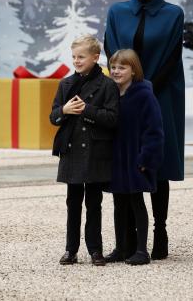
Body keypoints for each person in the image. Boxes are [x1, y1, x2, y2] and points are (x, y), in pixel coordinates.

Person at [104, 0, 184, 260]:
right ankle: (127, 240)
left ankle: (159, 232)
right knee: (125, 161)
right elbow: (112, 49)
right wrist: (123, 85)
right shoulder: (117, 12)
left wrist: (146, 89)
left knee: (156, 162)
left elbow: (171, 57)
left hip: (160, 94)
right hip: (123, 95)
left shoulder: (172, 14)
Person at [49, 35, 119, 266]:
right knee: (73, 203)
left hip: (95, 152)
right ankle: (71, 250)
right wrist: (65, 110)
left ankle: (95, 250)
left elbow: (112, 119)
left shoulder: (107, 85)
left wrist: (87, 110)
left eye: (81, 57)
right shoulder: (66, 84)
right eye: (74, 57)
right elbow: (54, 117)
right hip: (71, 151)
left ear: (95, 57)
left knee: (94, 204)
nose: (76, 61)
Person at [106, 49, 164, 265]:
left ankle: (142, 250)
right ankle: (121, 247)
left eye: (122, 67)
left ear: (133, 70)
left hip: (136, 159)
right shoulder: (111, 93)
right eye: (113, 67)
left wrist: (146, 159)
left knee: (136, 202)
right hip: (116, 159)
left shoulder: (144, 95)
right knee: (118, 203)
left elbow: (154, 130)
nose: (116, 71)